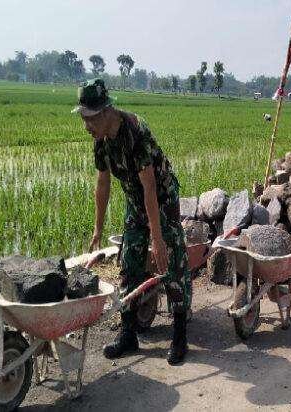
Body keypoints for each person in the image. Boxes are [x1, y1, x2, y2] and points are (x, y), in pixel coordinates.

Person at [74, 78, 191, 365]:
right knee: (129, 262)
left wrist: (157, 238)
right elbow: (103, 183)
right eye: (83, 118)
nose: (86, 125)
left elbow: (150, 188)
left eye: (90, 118)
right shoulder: (101, 140)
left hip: (162, 201)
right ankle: (128, 333)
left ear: (106, 112)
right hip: (136, 202)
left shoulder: (136, 132)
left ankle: (179, 334)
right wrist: (98, 228)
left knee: (170, 263)